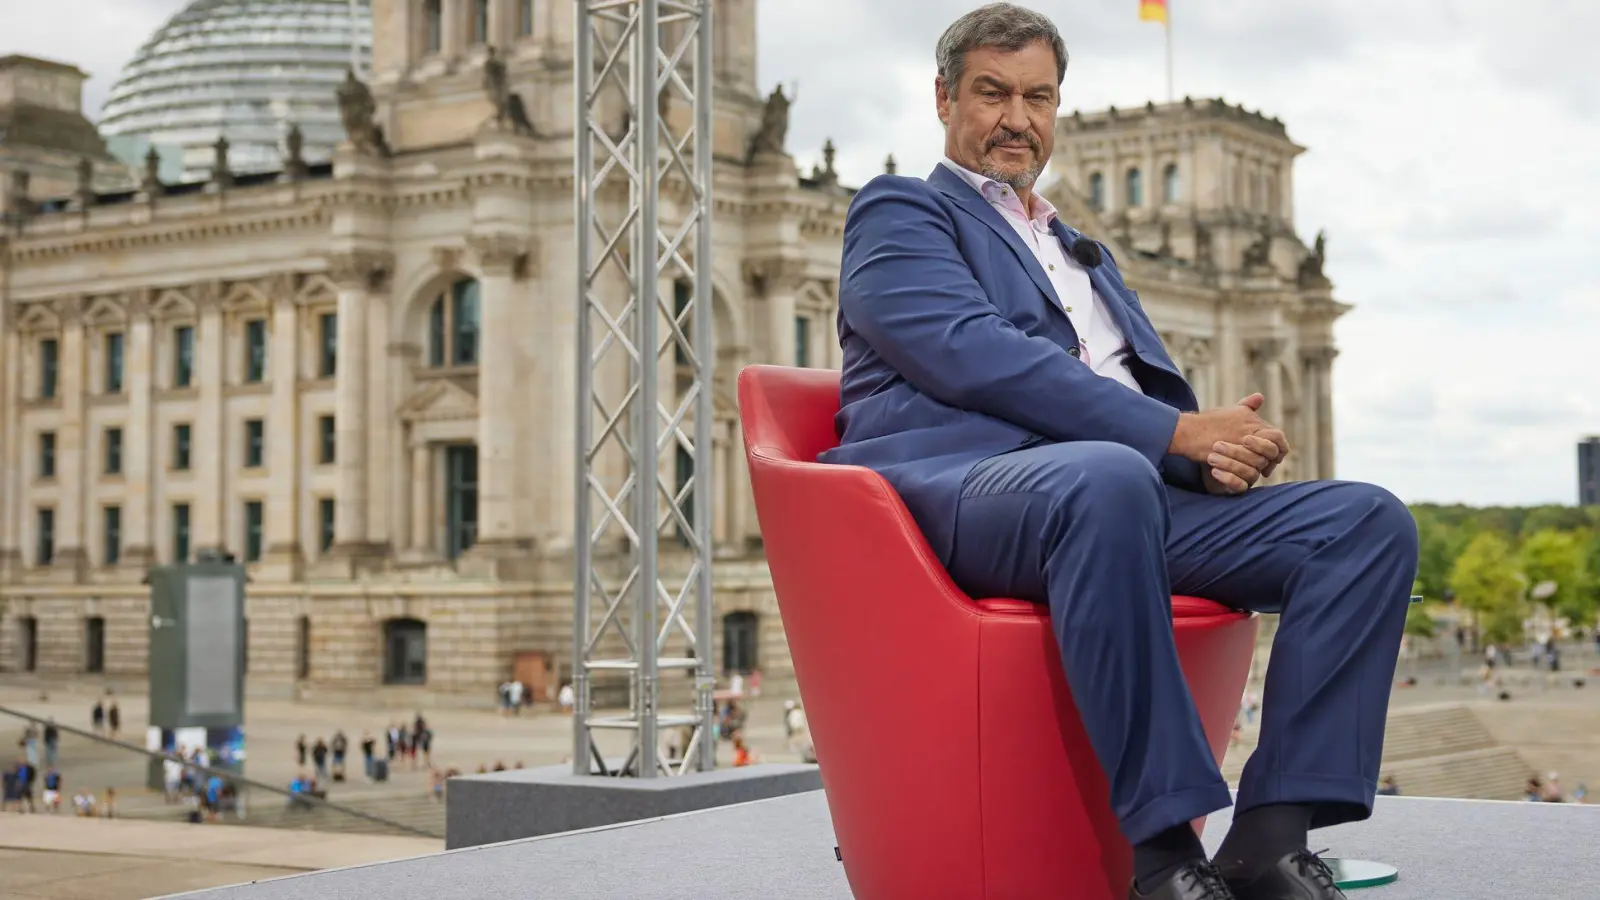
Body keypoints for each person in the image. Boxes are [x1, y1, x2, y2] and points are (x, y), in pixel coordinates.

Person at [820, 5, 1418, 899]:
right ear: (944, 99)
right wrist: (1173, 435)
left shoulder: (1086, 252)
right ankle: (1165, 853)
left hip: (1123, 496)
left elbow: (1146, 392)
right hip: (971, 494)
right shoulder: (901, 211)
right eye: (991, 93)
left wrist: (1211, 451)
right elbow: (968, 351)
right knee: (1101, 478)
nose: (1015, 118)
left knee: (1364, 523)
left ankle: (1269, 838)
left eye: (1038, 97)